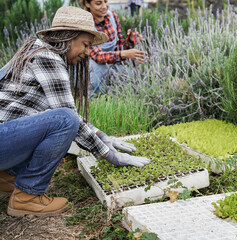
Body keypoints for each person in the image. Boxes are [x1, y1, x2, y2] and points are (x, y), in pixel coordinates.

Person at [0, 6, 150, 217]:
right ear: (68, 37)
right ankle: (27, 197)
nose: (88, 52)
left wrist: (102, 136)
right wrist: (110, 155)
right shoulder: (48, 57)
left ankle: (5, 177)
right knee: (65, 121)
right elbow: (69, 118)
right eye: (86, 45)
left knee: (56, 119)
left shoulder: (36, 50)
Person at [81, 0, 147, 95]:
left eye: (106, 1)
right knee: (98, 72)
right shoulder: (85, 23)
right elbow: (97, 56)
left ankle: (114, 96)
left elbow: (119, 46)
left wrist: (130, 40)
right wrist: (124, 54)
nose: (104, 6)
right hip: (91, 67)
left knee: (130, 75)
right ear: (87, 3)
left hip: (109, 63)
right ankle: (90, 99)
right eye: (98, 3)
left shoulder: (112, 16)